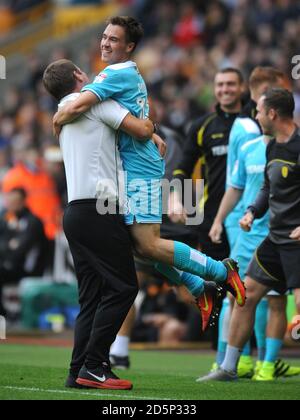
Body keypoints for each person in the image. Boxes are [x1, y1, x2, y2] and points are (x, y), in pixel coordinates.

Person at [53, 16, 246, 331]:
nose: (105, 42)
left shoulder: (114, 73)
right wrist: (150, 130)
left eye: (114, 39)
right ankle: (200, 289)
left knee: (149, 245)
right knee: (136, 247)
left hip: (139, 169)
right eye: (104, 36)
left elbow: (78, 106)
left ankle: (222, 273)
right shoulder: (122, 75)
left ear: (129, 47)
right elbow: (134, 120)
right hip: (134, 166)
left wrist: (58, 117)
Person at [43, 58, 156, 391]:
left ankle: (77, 369)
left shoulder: (62, 115)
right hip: (99, 209)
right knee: (124, 288)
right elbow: (142, 130)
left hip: (75, 212)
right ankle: (95, 365)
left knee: (91, 297)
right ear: (80, 75)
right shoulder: (97, 103)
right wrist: (146, 112)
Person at [199, 88, 300, 381]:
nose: (255, 115)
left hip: (296, 241)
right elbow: (268, 188)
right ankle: (229, 367)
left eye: (259, 111)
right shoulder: (272, 148)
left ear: (272, 114)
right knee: (244, 294)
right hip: (275, 238)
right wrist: (252, 212)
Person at [169, 68, 245, 262]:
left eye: (230, 84)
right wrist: (177, 199)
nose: (225, 89)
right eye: (220, 85)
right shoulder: (202, 127)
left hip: (249, 214)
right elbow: (182, 169)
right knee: (219, 282)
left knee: (252, 282)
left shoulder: (254, 122)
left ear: (241, 87)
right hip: (211, 218)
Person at [0, 188, 47, 316]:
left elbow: (19, 251)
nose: (11, 205)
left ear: (23, 202)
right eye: (10, 202)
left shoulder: (33, 222)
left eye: (15, 202)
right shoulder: (6, 219)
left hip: (28, 270)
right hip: (9, 265)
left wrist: (9, 246)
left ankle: (4, 314)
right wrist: (8, 245)